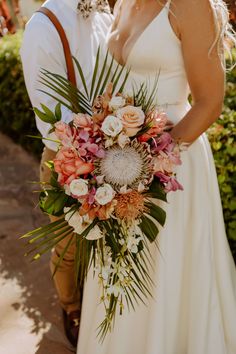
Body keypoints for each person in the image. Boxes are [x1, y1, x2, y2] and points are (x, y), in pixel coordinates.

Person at [76, 0, 236, 353]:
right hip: (119, 167)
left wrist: (148, 165)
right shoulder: (123, 3)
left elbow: (210, 102)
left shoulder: (190, 6)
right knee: (121, 274)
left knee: (166, 273)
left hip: (173, 165)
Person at [20, 0, 113, 348]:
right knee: (69, 245)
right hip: (67, 158)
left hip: (115, 148)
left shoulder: (107, 14)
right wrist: (90, 151)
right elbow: (50, 115)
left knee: (106, 238)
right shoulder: (43, 25)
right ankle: (71, 306)